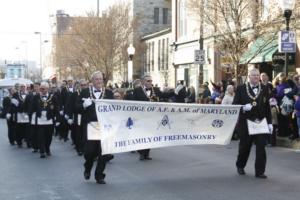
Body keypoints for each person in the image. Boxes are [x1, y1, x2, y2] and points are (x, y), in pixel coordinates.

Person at [233, 68, 272, 179]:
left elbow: (267, 107)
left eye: (257, 75)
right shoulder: (241, 89)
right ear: (249, 76)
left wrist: (269, 123)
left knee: (261, 146)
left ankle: (260, 171)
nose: (256, 77)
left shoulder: (264, 88)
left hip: (260, 122)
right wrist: (243, 108)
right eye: (253, 75)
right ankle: (240, 165)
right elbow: (234, 105)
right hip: (245, 122)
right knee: (244, 147)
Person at [76, 71, 114, 184]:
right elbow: (75, 108)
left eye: (101, 79)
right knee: (89, 152)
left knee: (104, 152)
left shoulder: (109, 93)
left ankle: (99, 175)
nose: (99, 81)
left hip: (104, 127)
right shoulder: (84, 92)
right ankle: (87, 167)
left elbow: (114, 109)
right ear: (92, 81)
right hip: (90, 127)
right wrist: (83, 105)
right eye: (96, 79)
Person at [133, 75, 161, 160]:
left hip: (152, 117)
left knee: (150, 135)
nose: (150, 82)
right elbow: (133, 103)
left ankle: (147, 153)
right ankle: (141, 152)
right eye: (148, 81)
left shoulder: (155, 90)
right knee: (141, 135)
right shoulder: (137, 90)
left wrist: (174, 92)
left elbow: (163, 96)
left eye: (151, 81)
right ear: (143, 82)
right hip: (141, 117)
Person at [30, 82, 59, 158]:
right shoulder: (36, 97)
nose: (41, 90)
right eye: (40, 89)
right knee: (40, 136)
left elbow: (56, 109)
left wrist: (58, 119)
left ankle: (47, 148)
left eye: (43, 89)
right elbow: (32, 107)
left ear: (47, 89)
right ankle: (42, 151)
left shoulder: (53, 97)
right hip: (40, 120)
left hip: (49, 120)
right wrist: (31, 116)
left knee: (49, 136)